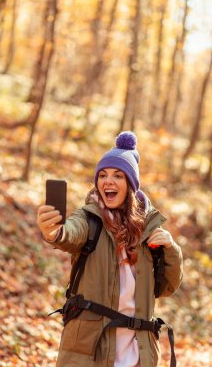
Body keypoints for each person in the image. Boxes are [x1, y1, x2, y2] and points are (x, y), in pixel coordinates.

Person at [37, 131, 183, 367]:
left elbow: (167, 287)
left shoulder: (148, 230)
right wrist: (53, 232)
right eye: (102, 175)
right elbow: (70, 233)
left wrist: (171, 249)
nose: (108, 181)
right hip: (90, 350)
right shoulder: (89, 218)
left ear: (131, 185)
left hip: (138, 352)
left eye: (118, 175)